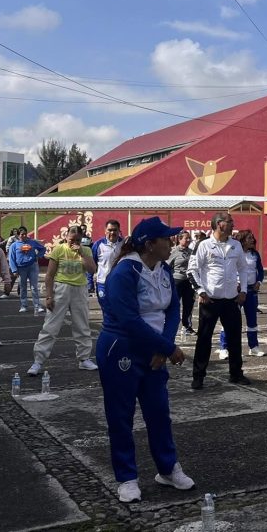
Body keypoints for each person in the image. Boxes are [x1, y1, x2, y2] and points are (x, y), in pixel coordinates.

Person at [97, 216, 194, 503]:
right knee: (121, 416)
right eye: (166, 239)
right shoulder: (125, 272)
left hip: (154, 350)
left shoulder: (163, 268)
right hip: (122, 348)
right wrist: (167, 347)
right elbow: (128, 320)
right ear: (150, 244)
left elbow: (173, 309)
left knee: (158, 412)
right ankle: (126, 477)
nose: (171, 242)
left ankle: (168, 468)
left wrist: (164, 347)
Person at [189, 212, 251, 389]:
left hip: (231, 300)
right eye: (230, 222)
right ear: (219, 224)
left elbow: (243, 269)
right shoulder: (204, 245)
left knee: (235, 339)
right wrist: (201, 291)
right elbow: (192, 270)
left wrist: (244, 290)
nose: (233, 224)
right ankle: (198, 376)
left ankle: (236, 373)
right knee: (204, 339)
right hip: (210, 300)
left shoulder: (236, 245)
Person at [27, 225, 98, 377]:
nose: (74, 243)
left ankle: (84, 358)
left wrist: (81, 253)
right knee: (51, 325)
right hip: (61, 288)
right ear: (66, 237)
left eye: (78, 240)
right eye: (72, 239)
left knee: (82, 325)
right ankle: (38, 360)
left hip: (80, 289)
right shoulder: (59, 249)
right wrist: (49, 296)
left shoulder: (86, 250)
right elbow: (49, 275)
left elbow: (92, 269)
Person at [219, 230, 265, 358]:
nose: (252, 240)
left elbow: (260, 270)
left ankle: (253, 347)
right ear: (242, 240)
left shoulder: (255, 254)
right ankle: (224, 347)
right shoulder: (234, 252)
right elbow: (227, 270)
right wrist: (234, 283)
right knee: (229, 319)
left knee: (252, 319)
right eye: (249, 238)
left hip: (251, 291)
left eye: (252, 238)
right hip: (235, 291)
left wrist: (259, 282)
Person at [9, 227, 46, 314]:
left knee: (34, 287)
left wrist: (38, 256)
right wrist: (14, 270)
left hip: (32, 267)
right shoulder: (14, 245)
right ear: (18, 235)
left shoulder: (32, 242)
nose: (24, 236)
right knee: (23, 287)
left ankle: (37, 306)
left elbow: (43, 248)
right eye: (22, 234)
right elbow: (11, 258)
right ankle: (24, 305)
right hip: (21, 268)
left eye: (25, 234)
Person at [92, 220, 124, 310]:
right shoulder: (98, 244)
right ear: (105, 231)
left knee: (118, 309)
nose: (112, 232)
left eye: (115, 230)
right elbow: (92, 263)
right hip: (102, 283)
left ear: (119, 231)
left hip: (119, 283)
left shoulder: (124, 244)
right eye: (110, 230)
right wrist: (90, 283)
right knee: (106, 309)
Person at [168, 231, 195, 334]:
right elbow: (167, 266)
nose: (188, 240)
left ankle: (187, 325)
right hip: (177, 281)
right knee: (174, 304)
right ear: (179, 239)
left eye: (189, 238)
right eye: (186, 238)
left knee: (189, 304)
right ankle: (171, 325)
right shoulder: (173, 251)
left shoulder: (191, 252)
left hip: (189, 281)